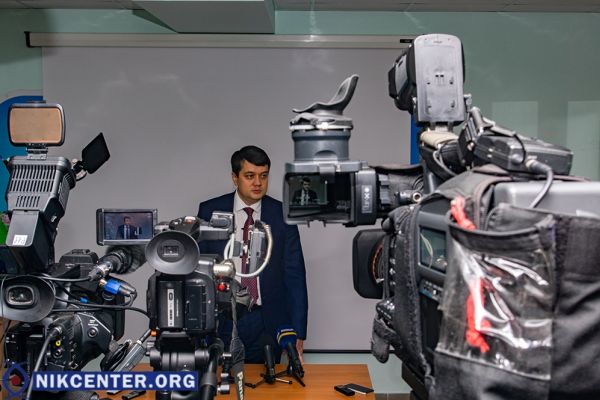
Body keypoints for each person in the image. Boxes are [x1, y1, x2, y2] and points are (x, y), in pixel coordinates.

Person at [197, 145, 308, 364]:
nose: (258, 183)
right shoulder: (210, 211)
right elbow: (199, 271)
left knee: (268, 381)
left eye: (263, 176)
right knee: (220, 380)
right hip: (223, 318)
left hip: (267, 320)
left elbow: (295, 275)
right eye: (250, 176)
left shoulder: (281, 214)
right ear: (235, 177)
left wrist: (299, 330)